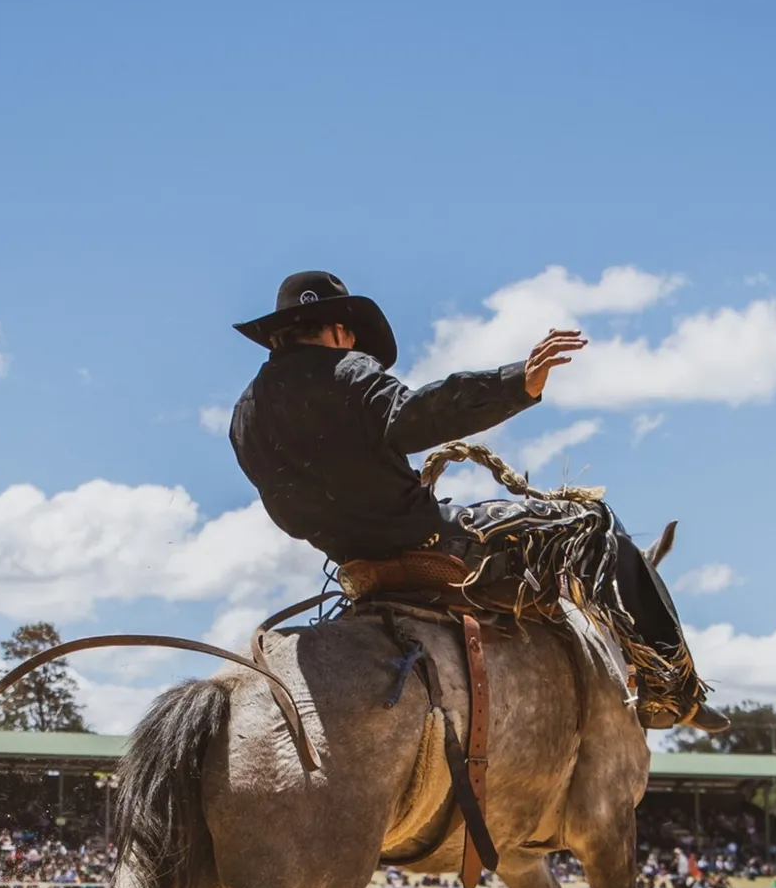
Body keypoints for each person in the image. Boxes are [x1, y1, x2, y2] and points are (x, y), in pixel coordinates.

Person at [227, 269, 727, 731]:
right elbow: (415, 414)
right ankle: (670, 688)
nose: (353, 342)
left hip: (351, 562)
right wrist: (516, 381)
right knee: (592, 522)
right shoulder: (348, 372)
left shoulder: (245, 413)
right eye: (350, 333)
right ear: (337, 331)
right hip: (428, 541)